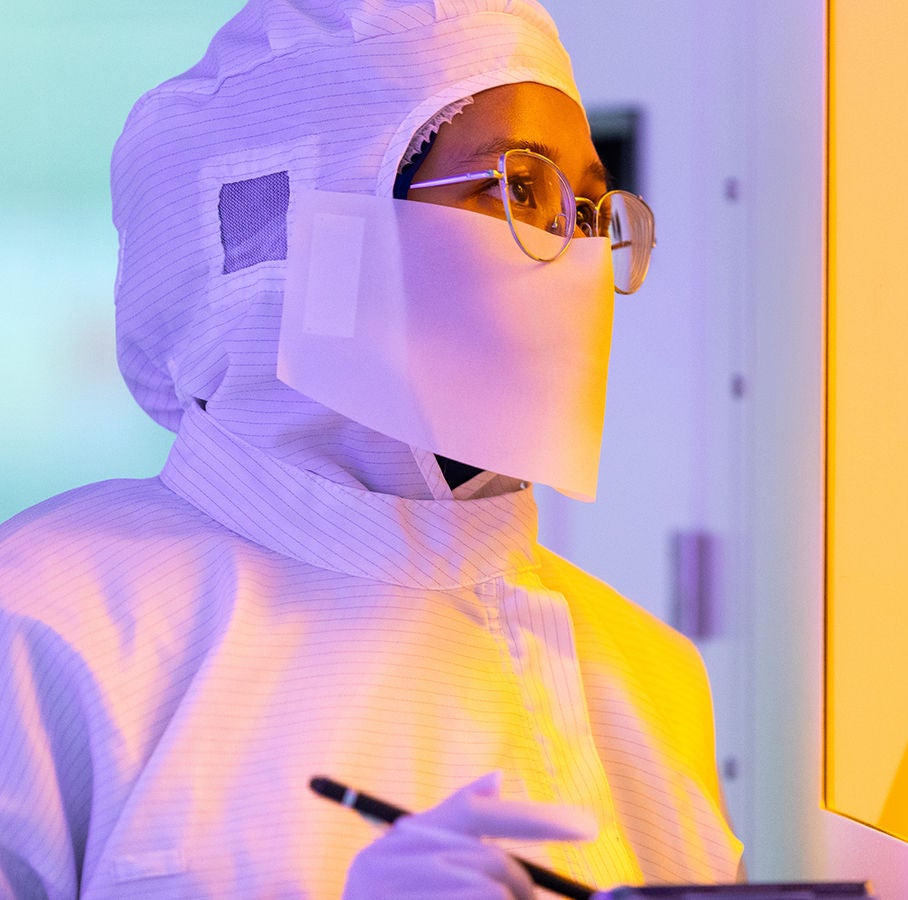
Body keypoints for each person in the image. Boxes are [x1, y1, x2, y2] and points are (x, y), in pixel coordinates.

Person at [0, 1, 741, 896]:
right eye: (518, 186)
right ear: (308, 223)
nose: (574, 250)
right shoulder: (47, 620)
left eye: (589, 208)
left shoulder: (649, 671)